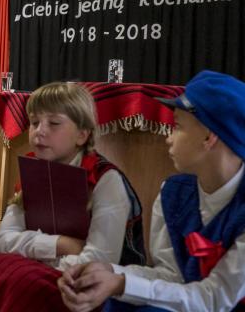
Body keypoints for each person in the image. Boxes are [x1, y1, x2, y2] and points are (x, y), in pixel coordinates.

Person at [58, 70, 245, 312]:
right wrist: (106, 271)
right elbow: (170, 275)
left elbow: (214, 298)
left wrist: (121, 283)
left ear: (209, 137)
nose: (168, 137)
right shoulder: (173, 194)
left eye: (177, 126)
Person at [0, 82, 145, 312]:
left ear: (82, 135)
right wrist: (58, 245)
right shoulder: (35, 171)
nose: (40, 131)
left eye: (53, 123)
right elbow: (2, 240)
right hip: (41, 272)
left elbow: (99, 260)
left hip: (86, 290)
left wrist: (36, 259)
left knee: (19, 278)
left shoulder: (106, 179)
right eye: (34, 123)